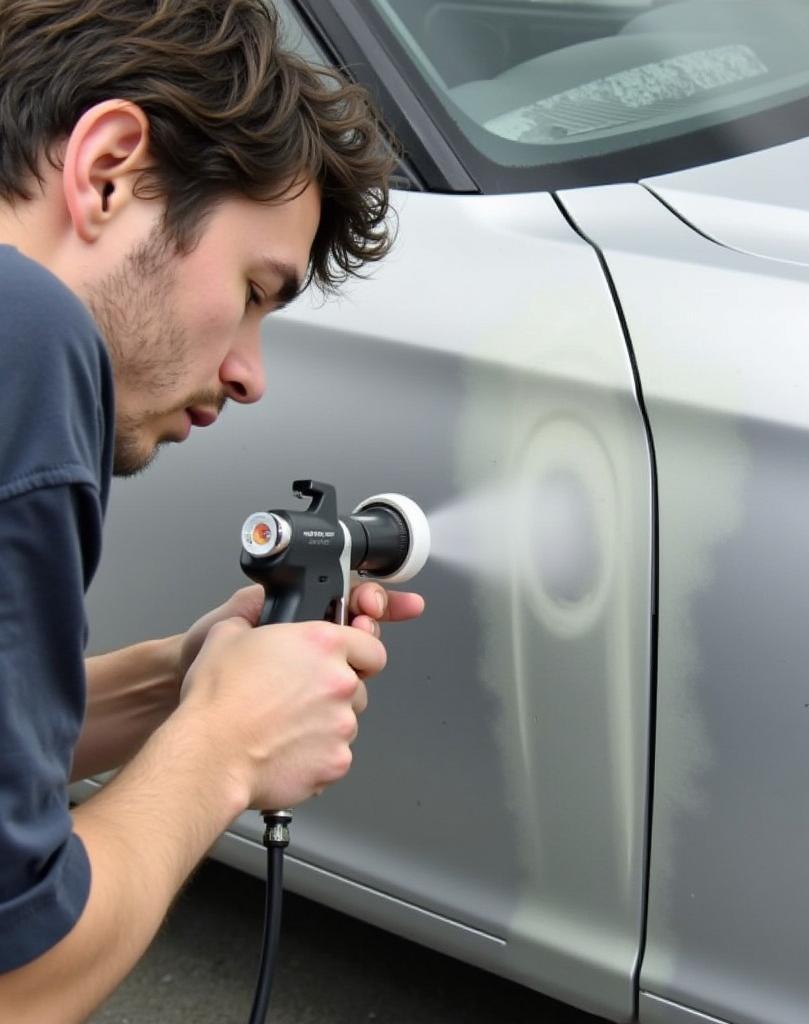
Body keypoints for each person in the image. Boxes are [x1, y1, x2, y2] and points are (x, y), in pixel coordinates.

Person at [0, 1, 425, 1019]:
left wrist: (180, 683)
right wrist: (229, 744)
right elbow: (17, 973)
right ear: (108, 172)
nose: (248, 374)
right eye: (250, 289)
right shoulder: (25, 337)